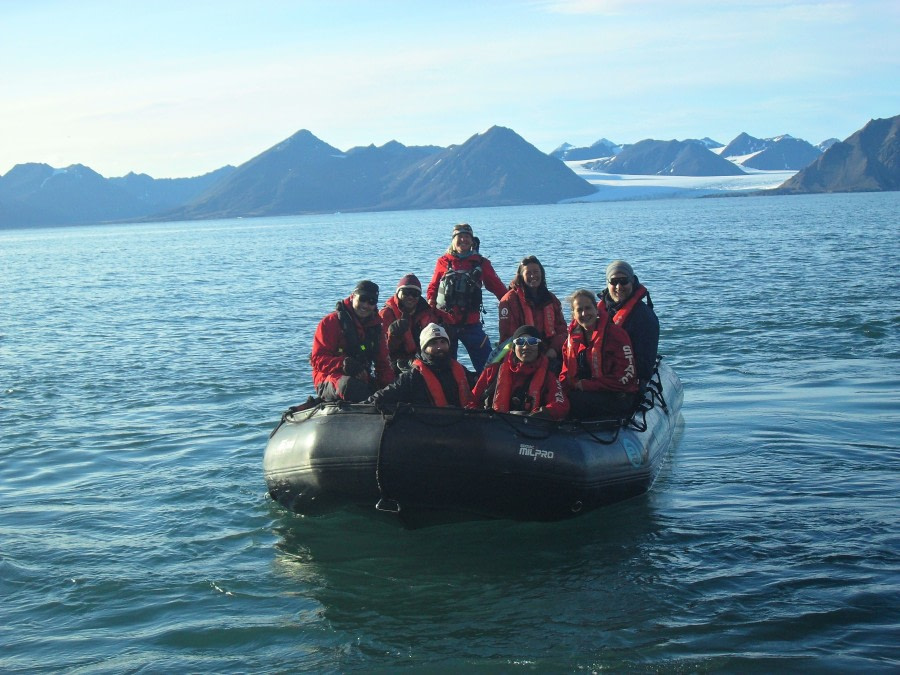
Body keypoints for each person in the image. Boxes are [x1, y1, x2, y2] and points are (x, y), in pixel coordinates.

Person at [426, 222, 506, 373]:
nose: (463, 240)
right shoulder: (443, 262)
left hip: (471, 325)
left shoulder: (482, 263)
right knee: (445, 367)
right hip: (446, 324)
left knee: (488, 365)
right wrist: (430, 309)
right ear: (453, 240)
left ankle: (486, 392)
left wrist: (512, 302)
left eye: (466, 237)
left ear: (472, 240)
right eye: (459, 237)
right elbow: (433, 288)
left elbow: (498, 288)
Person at [310, 280, 394, 402]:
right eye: (363, 299)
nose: (365, 305)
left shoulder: (376, 328)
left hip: (362, 379)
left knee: (394, 389)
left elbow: (383, 364)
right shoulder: (330, 323)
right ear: (353, 296)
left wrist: (391, 388)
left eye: (371, 301)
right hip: (329, 379)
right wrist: (344, 364)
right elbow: (317, 359)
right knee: (350, 386)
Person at [560, 289, 638, 420]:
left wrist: (587, 385)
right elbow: (565, 374)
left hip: (616, 394)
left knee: (577, 401)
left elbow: (626, 376)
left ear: (596, 309)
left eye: (588, 308)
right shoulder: (570, 341)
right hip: (584, 392)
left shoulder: (616, 335)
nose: (584, 313)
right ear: (574, 314)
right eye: (579, 310)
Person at [471, 325, 569, 420]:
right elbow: (472, 400)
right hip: (495, 426)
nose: (526, 347)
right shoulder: (493, 370)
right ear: (513, 348)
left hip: (529, 428)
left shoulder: (548, 374)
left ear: (539, 347)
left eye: (532, 341)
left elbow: (561, 405)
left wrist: (544, 413)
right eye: (520, 342)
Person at [367, 323, 476, 409]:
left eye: (442, 342)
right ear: (424, 348)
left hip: (460, 425)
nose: (439, 347)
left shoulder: (460, 370)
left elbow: (479, 386)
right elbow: (385, 395)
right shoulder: (414, 376)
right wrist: (361, 406)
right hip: (429, 428)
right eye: (433, 343)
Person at [497, 255, 567, 369]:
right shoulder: (508, 301)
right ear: (521, 276)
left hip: (550, 353)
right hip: (522, 353)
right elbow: (507, 337)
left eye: (536, 272)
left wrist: (553, 350)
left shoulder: (551, 299)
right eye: (528, 273)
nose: (533, 276)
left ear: (542, 273)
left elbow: (562, 329)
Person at [600, 260, 660, 389]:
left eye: (623, 281)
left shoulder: (644, 316)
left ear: (632, 282)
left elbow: (644, 364)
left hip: (626, 381)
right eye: (614, 282)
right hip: (600, 375)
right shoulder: (596, 312)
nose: (619, 287)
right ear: (607, 283)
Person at [379, 273, 439, 375]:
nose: (410, 297)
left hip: (420, 358)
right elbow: (380, 348)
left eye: (415, 294)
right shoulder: (386, 314)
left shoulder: (427, 313)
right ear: (398, 293)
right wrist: (394, 335)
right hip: (394, 360)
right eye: (406, 292)